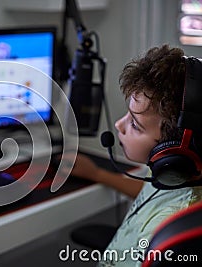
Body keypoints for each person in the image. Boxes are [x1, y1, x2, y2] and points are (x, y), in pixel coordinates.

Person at [66, 44, 202, 266]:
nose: (119, 125)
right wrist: (97, 174)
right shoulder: (169, 173)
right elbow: (150, 191)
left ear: (173, 150)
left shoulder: (171, 229)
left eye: (135, 125)